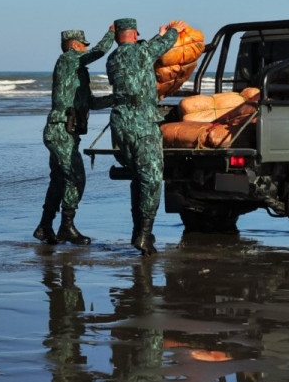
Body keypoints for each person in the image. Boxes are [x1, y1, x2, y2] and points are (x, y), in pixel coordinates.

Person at [105, 18, 181, 255]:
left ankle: (138, 230)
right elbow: (165, 44)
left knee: (137, 177)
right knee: (151, 178)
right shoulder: (143, 52)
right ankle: (144, 235)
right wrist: (172, 31)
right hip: (143, 123)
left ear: (118, 36)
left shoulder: (112, 59)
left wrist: (155, 37)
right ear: (135, 34)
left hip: (119, 124)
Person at [36, 26, 115, 245]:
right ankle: (66, 227)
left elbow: (92, 103)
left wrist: (117, 97)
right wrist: (111, 33)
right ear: (73, 46)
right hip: (60, 129)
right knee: (75, 177)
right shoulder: (67, 60)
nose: (85, 50)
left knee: (59, 181)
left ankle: (45, 227)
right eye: (82, 46)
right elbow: (97, 52)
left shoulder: (78, 74)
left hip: (66, 132)